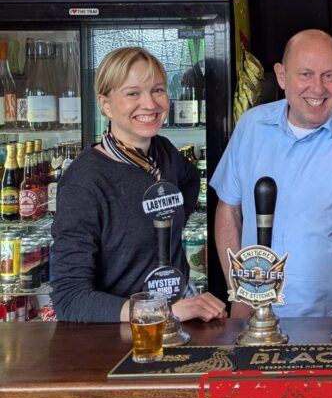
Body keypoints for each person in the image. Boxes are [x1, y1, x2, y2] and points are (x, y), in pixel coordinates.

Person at [212, 29, 332, 318]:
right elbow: (229, 211)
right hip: (257, 316)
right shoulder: (251, 126)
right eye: (306, 74)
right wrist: (239, 293)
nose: (318, 88)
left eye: (329, 75)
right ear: (281, 76)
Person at [52, 47, 227, 323]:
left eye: (158, 90)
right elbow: (70, 299)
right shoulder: (84, 181)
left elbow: (190, 180)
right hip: (121, 333)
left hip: (177, 312)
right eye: (133, 93)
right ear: (106, 104)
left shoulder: (163, 151)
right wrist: (163, 311)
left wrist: (169, 223)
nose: (150, 104)